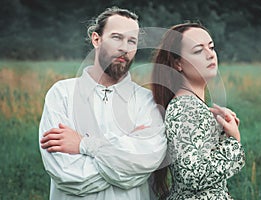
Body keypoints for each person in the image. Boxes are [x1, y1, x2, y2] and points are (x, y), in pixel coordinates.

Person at [39, 7, 166, 200]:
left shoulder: (147, 101)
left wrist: (84, 144)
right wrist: (125, 153)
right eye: (117, 37)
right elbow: (66, 174)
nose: (125, 47)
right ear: (96, 39)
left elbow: (146, 161)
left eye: (132, 41)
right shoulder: (62, 94)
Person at [151, 23, 245, 199]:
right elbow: (193, 177)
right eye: (198, 51)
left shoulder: (190, 104)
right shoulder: (186, 108)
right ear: (178, 63)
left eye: (211, 47)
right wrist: (233, 141)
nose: (210, 55)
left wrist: (221, 133)